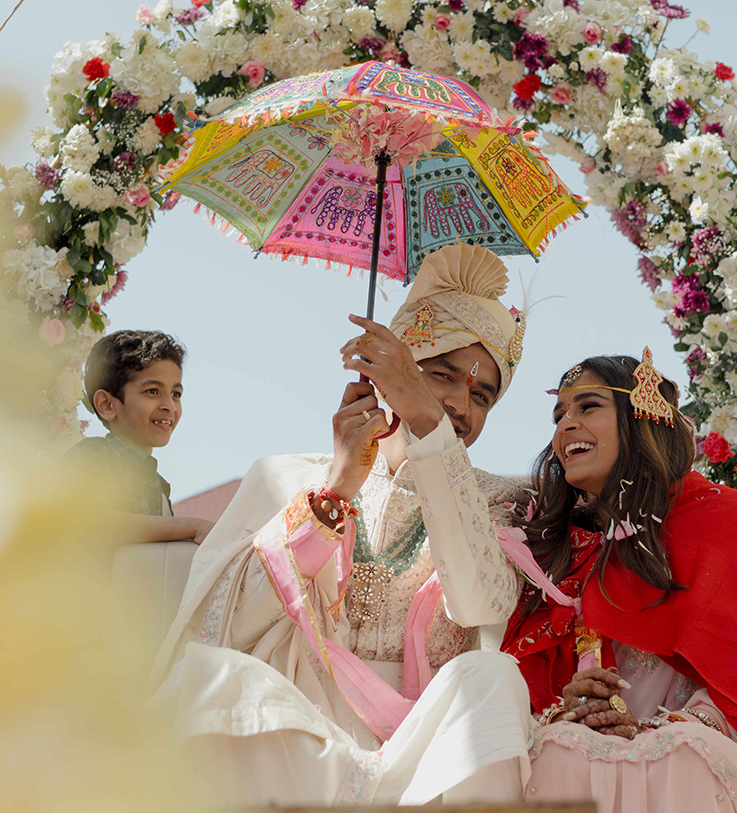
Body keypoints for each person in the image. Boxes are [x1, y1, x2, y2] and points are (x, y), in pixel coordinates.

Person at [148, 243, 534, 806]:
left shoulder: (504, 500)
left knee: (492, 680)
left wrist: (430, 431)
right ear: (391, 373)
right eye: (441, 375)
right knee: (211, 679)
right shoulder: (288, 476)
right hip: (304, 731)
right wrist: (336, 491)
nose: (459, 403)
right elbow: (222, 626)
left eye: (482, 394)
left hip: (430, 755)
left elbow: (482, 604)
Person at [502, 352, 737, 813]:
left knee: (679, 757)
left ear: (641, 417)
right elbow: (539, 685)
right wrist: (575, 702)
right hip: (600, 750)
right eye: (559, 414)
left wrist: (669, 728)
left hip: (715, 740)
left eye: (588, 407)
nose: (565, 426)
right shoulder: (565, 548)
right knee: (557, 749)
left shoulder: (727, 519)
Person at [68, 330, 213, 544]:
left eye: (176, 394)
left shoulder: (159, 486)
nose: (169, 406)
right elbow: (85, 520)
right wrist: (193, 527)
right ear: (107, 404)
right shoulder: (94, 456)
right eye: (153, 391)